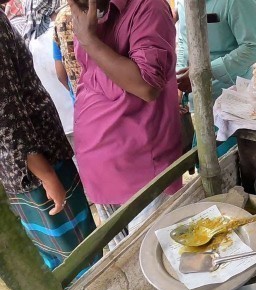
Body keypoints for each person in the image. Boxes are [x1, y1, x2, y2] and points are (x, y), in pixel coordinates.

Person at [68, 0, 183, 250]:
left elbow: (146, 85)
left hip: (140, 172)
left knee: (152, 261)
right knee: (125, 261)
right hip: (100, 168)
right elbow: (89, 74)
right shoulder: (90, 13)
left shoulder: (148, 7)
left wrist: (90, 41)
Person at [0, 6, 96, 269]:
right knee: (80, 256)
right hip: (38, 165)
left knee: (58, 258)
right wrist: (48, 176)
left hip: (23, 169)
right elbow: (6, 114)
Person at [175, 0, 256, 157]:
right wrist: (177, 77)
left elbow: (253, 48)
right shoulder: (183, 3)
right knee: (203, 161)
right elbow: (183, 42)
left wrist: (203, 72)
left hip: (231, 103)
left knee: (228, 164)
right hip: (198, 101)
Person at [52, 4, 79, 102]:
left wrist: (74, 93)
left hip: (81, 100)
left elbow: (60, 75)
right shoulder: (104, 9)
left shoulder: (61, 20)